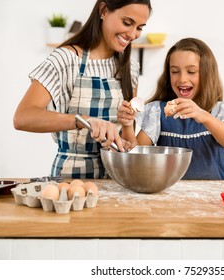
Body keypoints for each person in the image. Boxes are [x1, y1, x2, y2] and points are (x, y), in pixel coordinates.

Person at [13, 0, 152, 179]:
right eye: (127, 22)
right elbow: (23, 117)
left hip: (117, 180)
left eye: (140, 28)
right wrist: (85, 121)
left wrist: (126, 126)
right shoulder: (66, 59)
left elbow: (129, 143)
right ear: (103, 10)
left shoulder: (130, 68)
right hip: (72, 180)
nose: (133, 34)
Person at [118, 38, 224, 180]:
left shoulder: (218, 110)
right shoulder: (158, 112)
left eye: (191, 71)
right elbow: (135, 155)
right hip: (171, 195)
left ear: (207, 74)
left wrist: (203, 115)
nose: (182, 79)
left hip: (211, 197)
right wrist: (127, 125)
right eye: (175, 71)